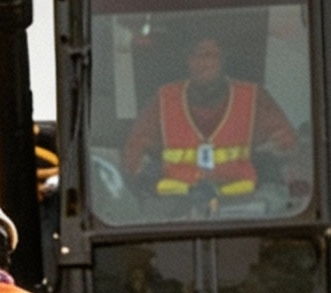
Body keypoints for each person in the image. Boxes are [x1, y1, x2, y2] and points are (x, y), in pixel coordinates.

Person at [121, 35, 299, 200]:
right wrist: (150, 178)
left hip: (242, 205)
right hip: (175, 207)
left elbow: (287, 147)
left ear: (223, 60)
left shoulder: (252, 97)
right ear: (187, 61)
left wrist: (264, 169)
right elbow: (134, 156)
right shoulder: (164, 99)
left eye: (209, 55)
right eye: (195, 56)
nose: (202, 63)